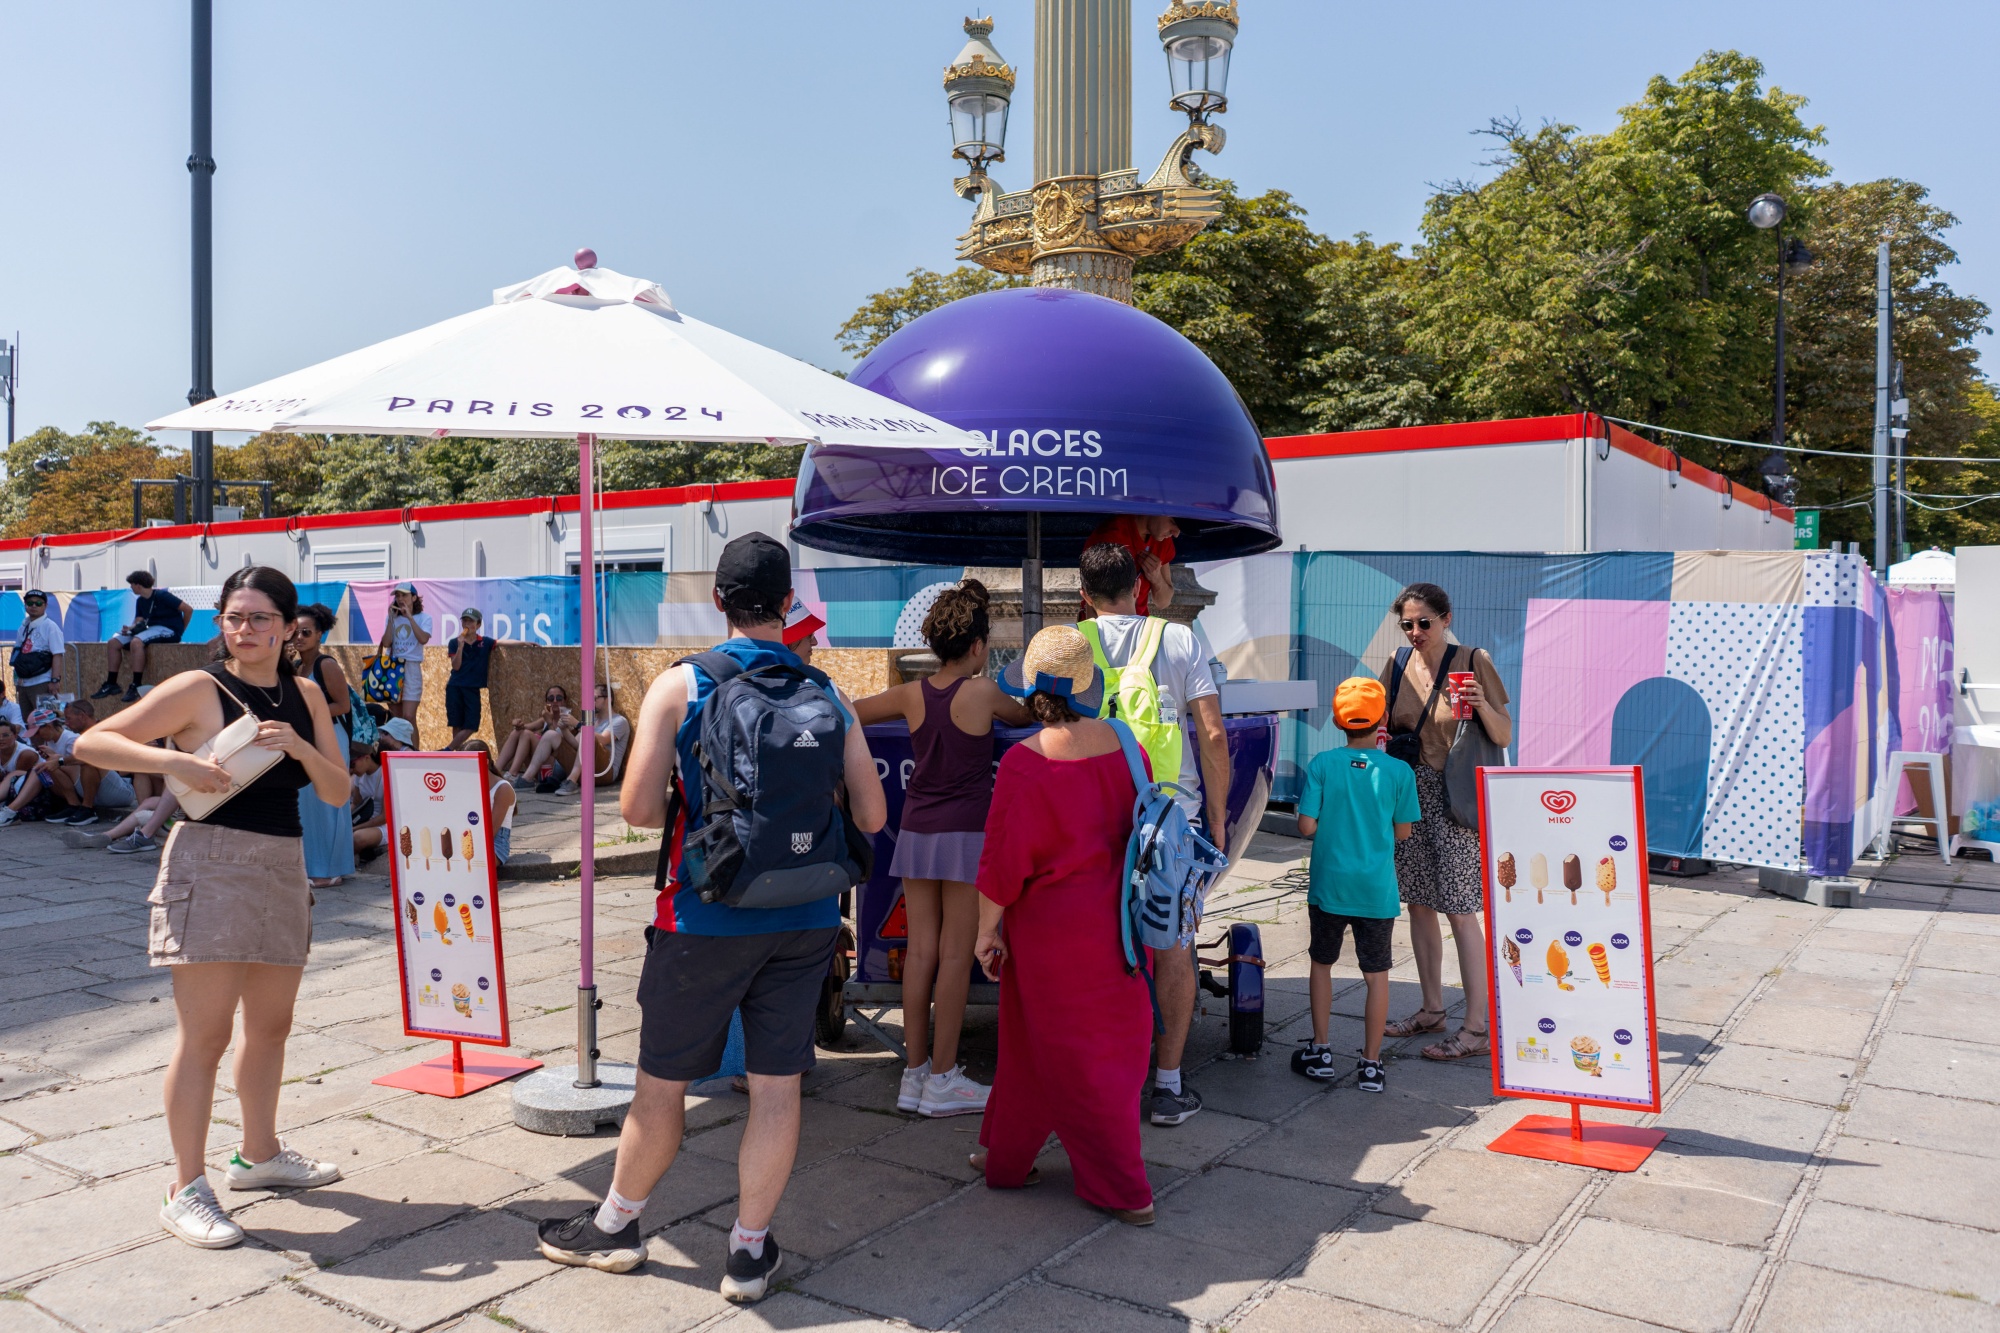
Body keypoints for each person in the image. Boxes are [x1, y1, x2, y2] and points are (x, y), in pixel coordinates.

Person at [535, 532, 886, 1305]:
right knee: (776, 1088)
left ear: (718, 601)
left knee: (660, 1087)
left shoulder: (680, 686)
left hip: (705, 919)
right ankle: (750, 1254)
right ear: (788, 605)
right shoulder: (828, 693)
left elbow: (633, 808)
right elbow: (872, 809)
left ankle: (618, 1226)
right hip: (806, 921)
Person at [73, 565, 351, 1250]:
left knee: (273, 1027)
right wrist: (176, 765)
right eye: (234, 616)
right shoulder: (201, 686)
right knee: (206, 1036)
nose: (246, 629)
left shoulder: (306, 692)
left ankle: (259, 1154)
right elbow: (93, 742)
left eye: (260, 617)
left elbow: (340, 791)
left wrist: (300, 746)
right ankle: (185, 1186)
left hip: (283, 865)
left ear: (289, 627)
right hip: (210, 864)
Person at [971, 624, 1154, 1223]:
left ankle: (1126, 1189)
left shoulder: (1026, 761)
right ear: (1088, 686)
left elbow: (1001, 865)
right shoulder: (1131, 746)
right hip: (1124, 929)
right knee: (1094, 1051)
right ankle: (1006, 1155)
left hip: (1051, 934)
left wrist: (986, 933)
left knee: (1073, 1057)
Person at [855, 581, 1030, 1118]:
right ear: (978, 646)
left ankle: (912, 1076)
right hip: (964, 836)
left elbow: (853, 712)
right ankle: (944, 1078)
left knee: (921, 955)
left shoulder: (911, 694)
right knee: (956, 956)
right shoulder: (982, 694)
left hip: (915, 833)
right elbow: (1027, 718)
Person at [1074, 542, 1228, 1127]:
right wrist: (1214, 816)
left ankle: (1099, 1079)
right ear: (1137, 588)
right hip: (1169, 814)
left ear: (1084, 597)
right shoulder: (1179, 640)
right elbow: (1211, 734)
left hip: (1092, 810)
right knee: (1173, 946)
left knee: (1093, 945)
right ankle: (1167, 1085)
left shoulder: (1073, 645)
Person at [1376, 582, 1511, 1062]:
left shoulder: (1473, 659)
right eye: (1407, 624)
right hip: (1408, 792)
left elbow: (1504, 732)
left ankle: (1477, 1028)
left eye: (1424, 623)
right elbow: (1387, 724)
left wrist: (1480, 705)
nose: (1415, 632)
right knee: (1416, 902)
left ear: (1446, 618)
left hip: (1454, 796)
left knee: (1459, 908)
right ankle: (1432, 1009)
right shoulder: (1395, 663)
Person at [1293, 678, 1418, 1091]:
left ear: (1336, 719)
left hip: (1329, 887)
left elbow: (1306, 825)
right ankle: (1371, 1064)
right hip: (1377, 892)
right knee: (1376, 974)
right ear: (1382, 718)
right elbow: (1403, 834)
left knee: (1322, 964)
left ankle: (1322, 1050)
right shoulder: (1399, 771)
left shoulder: (1322, 765)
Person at [294, 605, 355, 889]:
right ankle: (313, 865)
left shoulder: (326, 665)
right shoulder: (296, 666)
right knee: (308, 805)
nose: (300, 637)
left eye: (306, 632)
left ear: (320, 635)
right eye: (295, 631)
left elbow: (343, 705)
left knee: (328, 802)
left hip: (330, 738)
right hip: (308, 740)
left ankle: (331, 869)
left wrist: (308, 710)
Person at [38, 699, 138, 826]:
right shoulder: (81, 737)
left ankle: (88, 810)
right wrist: (54, 758)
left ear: (82, 716)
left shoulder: (105, 731)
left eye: (69, 718)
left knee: (89, 761)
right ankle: (73, 805)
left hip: (121, 792)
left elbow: (92, 756)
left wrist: (60, 760)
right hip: (99, 789)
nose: (66, 724)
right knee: (49, 765)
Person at [97, 571, 188, 701]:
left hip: (168, 629)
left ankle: (136, 684)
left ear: (138, 585)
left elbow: (188, 609)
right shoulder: (140, 601)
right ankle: (111, 683)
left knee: (136, 642)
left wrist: (181, 629)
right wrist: (130, 629)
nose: (131, 588)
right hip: (151, 629)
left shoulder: (163, 596)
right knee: (113, 643)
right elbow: (139, 621)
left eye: (132, 585)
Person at [1084, 514, 1179, 616]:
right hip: (1103, 624)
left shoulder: (1163, 540)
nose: (1176, 534)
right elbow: (1093, 600)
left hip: (1138, 624)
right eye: (1172, 522)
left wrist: (1157, 578)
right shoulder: (1110, 536)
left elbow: (1163, 603)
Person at [552, 682, 631, 796]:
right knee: (551, 735)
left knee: (586, 734)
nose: (591, 702)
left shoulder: (619, 721)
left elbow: (603, 739)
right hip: (587, 769)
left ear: (608, 699)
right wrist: (564, 729)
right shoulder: (591, 719)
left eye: (594, 698)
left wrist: (578, 725)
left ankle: (572, 780)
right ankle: (528, 778)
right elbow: (577, 745)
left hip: (605, 772)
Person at [378, 583, 431, 742]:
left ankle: (414, 753)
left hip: (411, 667)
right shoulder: (392, 617)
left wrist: (409, 617)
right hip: (392, 666)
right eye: (398, 596)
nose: (400, 599)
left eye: (404, 595)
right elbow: (386, 643)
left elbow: (423, 639)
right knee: (396, 716)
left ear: (414, 598)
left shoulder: (424, 618)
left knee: (409, 716)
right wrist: (392, 621)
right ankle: (398, 750)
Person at [445, 609, 497, 750]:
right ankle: (457, 754)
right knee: (457, 723)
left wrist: (524, 643)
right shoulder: (454, 642)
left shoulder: (484, 642)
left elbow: (501, 643)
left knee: (472, 725)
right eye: (465, 620)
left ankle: (448, 750)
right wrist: (461, 647)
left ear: (478, 624)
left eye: (470, 621)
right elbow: (456, 666)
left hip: (472, 687)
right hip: (455, 686)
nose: (467, 623)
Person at [497, 686, 572, 783]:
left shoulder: (568, 720)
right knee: (518, 732)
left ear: (564, 701)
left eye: (558, 698)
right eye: (550, 698)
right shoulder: (544, 720)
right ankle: (495, 770)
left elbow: (559, 751)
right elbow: (523, 728)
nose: (554, 701)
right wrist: (517, 724)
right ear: (546, 702)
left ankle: (512, 773)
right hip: (539, 765)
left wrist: (549, 723)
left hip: (556, 767)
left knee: (527, 734)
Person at [460, 739, 516, 866]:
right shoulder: (468, 785)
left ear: (484, 762)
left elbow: (490, 832)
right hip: (471, 838)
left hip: (494, 843)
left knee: (469, 863)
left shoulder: (502, 789)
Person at [11, 590, 64, 715]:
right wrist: (17, 682)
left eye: (38, 603)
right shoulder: (23, 626)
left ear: (45, 605)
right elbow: (18, 654)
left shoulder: (51, 627)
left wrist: (55, 681)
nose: (34, 606)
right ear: (25, 605)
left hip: (42, 682)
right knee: (28, 721)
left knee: (48, 720)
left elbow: (57, 654)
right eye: (30, 603)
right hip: (24, 684)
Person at [350, 743, 389, 863]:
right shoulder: (359, 775)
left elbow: (384, 817)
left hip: (383, 825)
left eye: (352, 764)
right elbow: (356, 803)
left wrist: (354, 828)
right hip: (365, 820)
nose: (351, 770)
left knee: (357, 837)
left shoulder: (385, 774)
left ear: (367, 758)